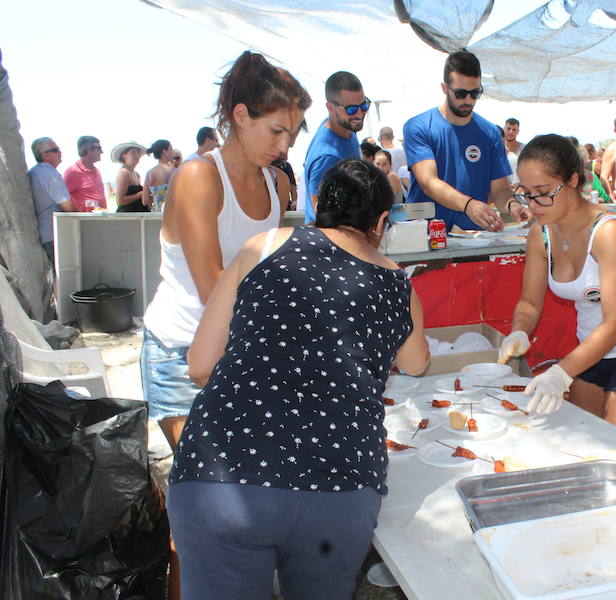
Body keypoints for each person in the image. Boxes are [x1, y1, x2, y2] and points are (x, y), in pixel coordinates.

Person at [167, 159, 429, 599]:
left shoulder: (262, 245)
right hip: (337, 486)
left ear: (315, 205)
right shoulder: (396, 284)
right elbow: (418, 363)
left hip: (221, 475)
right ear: (382, 221)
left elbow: (200, 365)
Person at [140, 50, 310, 452]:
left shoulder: (277, 185)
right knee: (208, 486)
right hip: (181, 354)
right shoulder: (198, 177)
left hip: (241, 348)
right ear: (240, 116)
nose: (285, 146)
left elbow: (273, 273)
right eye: (276, 131)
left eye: (294, 133)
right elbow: (211, 288)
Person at [497, 134, 616, 439]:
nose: (533, 204)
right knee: (580, 440)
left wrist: (561, 373)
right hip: (591, 350)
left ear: (573, 180)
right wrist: (520, 330)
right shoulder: (541, 234)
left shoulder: (608, 232)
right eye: (525, 193)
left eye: (543, 192)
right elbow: (529, 303)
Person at [404, 51, 529, 231]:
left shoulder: (490, 133)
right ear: (444, 88)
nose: (468, 100)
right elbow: (428, 182)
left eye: (475, 93)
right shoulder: (419, 127)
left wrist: (513, 206)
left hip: (472, 239)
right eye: (461, 93)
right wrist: (469, 205)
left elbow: (500, 190)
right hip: (424, 239)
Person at [303, 71, 367, 224]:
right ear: (330, 108)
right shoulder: (327, 157)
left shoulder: (348, 128)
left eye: (364, 105)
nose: (360, 113)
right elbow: (321, 215)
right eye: (351, 109)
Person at [28, 137, 76, 260]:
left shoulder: (35, 171)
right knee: (66, 276)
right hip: (54, 234)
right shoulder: (49, 173)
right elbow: (67, 207)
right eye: (55, 150)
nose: (60, 152)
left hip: (46, 233)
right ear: (44, 155)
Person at [63, 136, 106, 211]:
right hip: (83, 221)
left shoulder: (97, 171)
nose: (102, 152)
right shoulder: (72, 172)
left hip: (100, 219)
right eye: (99, 148)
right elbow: (62, 199)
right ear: (89, 150)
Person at [111, 141, 147, 212]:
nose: (137, 155)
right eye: (133, 152)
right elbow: (120, 201)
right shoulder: (123, 173)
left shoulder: (136, 174)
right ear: (124, 156)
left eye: (138, 152)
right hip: (127, 215)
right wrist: (140, 194)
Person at [141, 140, 175, 212]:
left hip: (156, 213)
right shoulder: (175, 171)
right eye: (171, 149)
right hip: (172, 212)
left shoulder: (149, 173)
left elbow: (145, 201)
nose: (173, 152)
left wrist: (158, 197)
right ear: (164, 152)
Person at [504, 117, 524, 184]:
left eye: (514, 129)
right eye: (508, 128)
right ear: (504, 129)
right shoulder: (497, 147)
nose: (511, 132)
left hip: (518, 190)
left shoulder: (524, 149)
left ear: (518, 131)